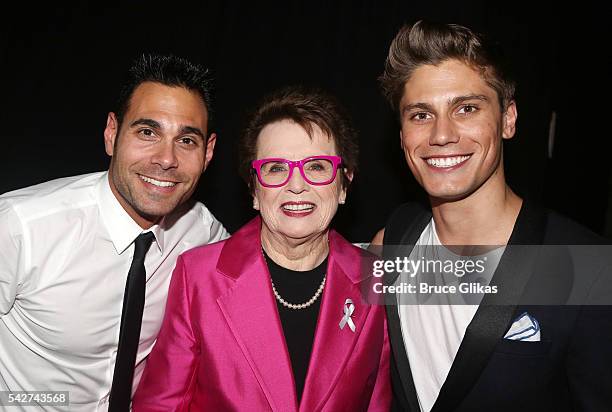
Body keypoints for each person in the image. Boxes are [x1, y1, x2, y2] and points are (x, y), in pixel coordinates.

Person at [372, 21, 612, 412]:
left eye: (466, 108)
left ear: (508, 119)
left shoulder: (591, 271)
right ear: (401, 137)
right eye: (420, 115)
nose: (442, 134)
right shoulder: (397, 238)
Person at [133, 87, 391, 411]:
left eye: (317, 166)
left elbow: (378, 404)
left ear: (343, 184)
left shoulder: (376, 279)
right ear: (255, 190)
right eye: (276, 168)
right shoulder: (198, 276)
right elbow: (160, 406)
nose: (296, 185)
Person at [0, 54, 228, 411]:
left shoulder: (203, 235)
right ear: (112, 134)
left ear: (208, 152)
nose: (166, 159)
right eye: (148, 132)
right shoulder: (20, 228)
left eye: (186, 141)